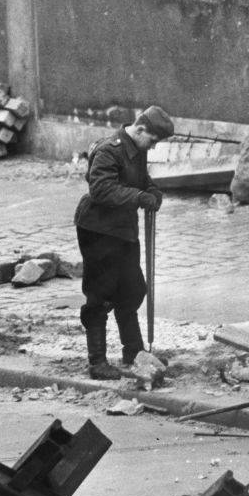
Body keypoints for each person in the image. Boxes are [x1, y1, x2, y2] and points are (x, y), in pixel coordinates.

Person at [73, 106, 173, 380]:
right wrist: (140, 197)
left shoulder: (135, 149)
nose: (151, 148)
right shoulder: (109, 150)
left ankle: (133, 352)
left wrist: (151, 190)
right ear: (140, 129)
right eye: (152, 141)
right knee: (100, 295)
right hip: (99, 230)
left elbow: (139, 180)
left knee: (132, 290)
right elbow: (101, 189)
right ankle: (97, 363)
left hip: (123, 232)